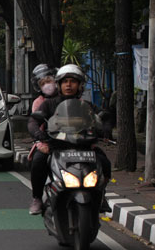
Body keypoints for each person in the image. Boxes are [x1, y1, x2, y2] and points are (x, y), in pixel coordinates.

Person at [27, 64, 111, 215]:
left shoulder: (87, 105)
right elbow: (33, 121)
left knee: (104, 163)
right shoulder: (49, 104)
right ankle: (37, 198)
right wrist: (40, 138)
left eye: (73, 81)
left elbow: (103, 117)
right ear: (59, 84)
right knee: (38, 161)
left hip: (83, 147)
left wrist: (105, 129)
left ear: (79, 85)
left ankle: (100, 193)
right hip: (56, 146)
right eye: (65, 81)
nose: (69, 85)